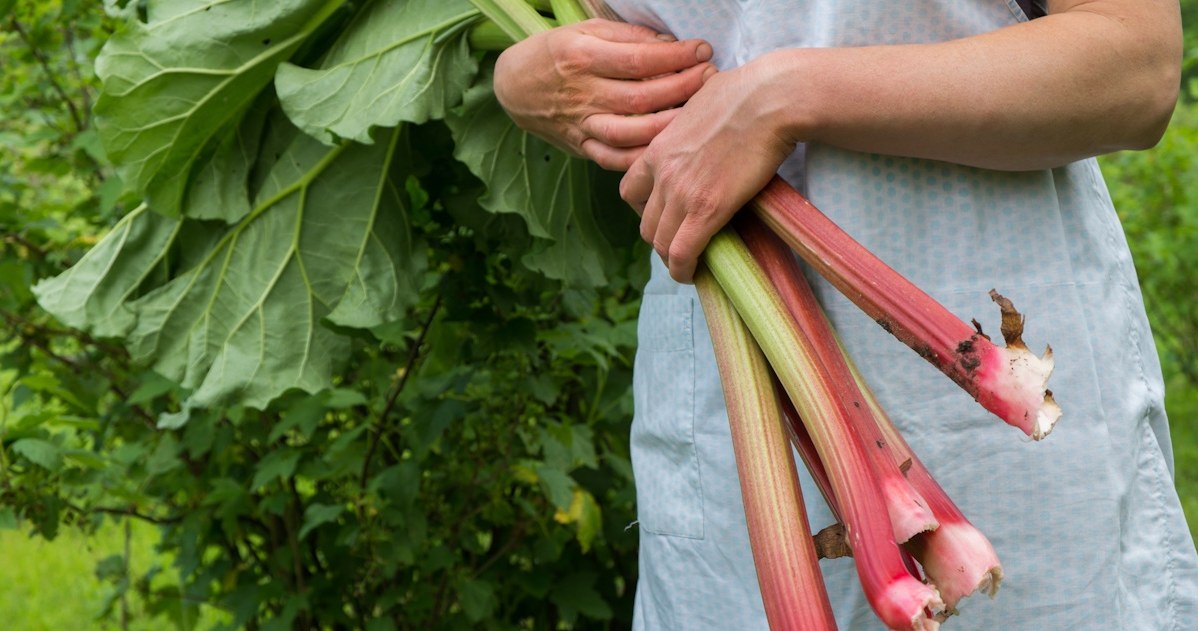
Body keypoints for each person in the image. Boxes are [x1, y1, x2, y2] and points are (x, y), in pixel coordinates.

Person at [494, 1, 1198, 628]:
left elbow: (1134, 66)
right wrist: (525, 77)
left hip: (997, 416)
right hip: (722, 419)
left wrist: (784, 95)